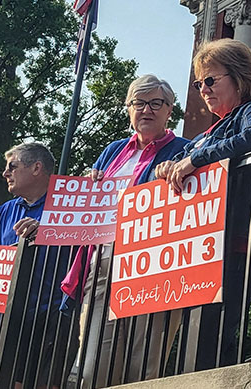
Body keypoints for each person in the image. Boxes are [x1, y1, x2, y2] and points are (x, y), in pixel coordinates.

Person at [155, 38, 251, 368]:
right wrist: (169, 167)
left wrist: (196, 159)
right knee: (195, 338)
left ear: (238, 78)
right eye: (199, 83)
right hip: (203, 248)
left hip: (240, 241)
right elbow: (183, 159)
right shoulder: (207, 133)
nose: (203, 89)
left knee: (214, 334)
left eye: (211, 80)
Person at [59, 74, 190, 387]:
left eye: (155, 103)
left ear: (169, 109)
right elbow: (90, 206)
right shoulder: (114, 151)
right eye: (138, 103)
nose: (147, 110)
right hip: (103, 263)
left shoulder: (185, 148)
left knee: (142, 368)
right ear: (128, 109)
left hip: (156, 267)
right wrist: (90, 183)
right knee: (90, 369)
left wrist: (171, 177)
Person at [0, 142, 75, 389]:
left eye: (13, 166)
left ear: (36, 168)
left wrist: (47, 230)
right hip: (14, 315)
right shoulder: (4, 212)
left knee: (49, 382)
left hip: (58, 309)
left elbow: (89, 239)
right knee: (10, 381)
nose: (5, 173)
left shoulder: (69, 200)